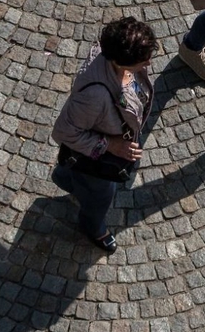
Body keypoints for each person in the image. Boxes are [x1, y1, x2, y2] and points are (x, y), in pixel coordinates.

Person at [50, 16, 155, 253]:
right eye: (143, 60)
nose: (149, 63)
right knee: (100, 195)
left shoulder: (113, 53)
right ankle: (92, 226)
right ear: (120, 62)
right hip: (98, 155)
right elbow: (64, 132)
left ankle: (65, 177)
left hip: (114, 131)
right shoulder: (94, 96)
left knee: (77, 178)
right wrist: (110, 145)